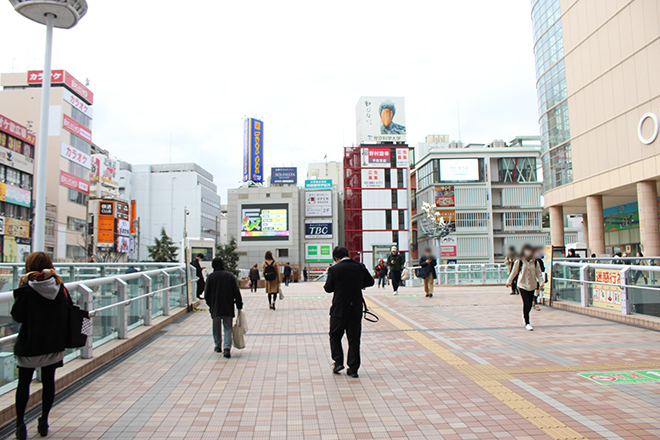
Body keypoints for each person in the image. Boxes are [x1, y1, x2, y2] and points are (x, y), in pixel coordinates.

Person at [11, 252, 70, 439]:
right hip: (53, 343)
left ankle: (20, 424)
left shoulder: (26, 290)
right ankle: (44, 421)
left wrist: (21, 288)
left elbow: (17, 316)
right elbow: (67, 312)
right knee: (48, 382)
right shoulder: (60, 288)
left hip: (29, 344)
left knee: (23, 384)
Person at [324, 246, 374, 378]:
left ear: (336, 258)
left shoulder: (334, 269)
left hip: (339, 308)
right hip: (355, 308)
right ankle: (353, 368)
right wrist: (358, 284)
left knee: (335, 335)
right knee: (354, 339)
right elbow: (370, 281)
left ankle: (338, 362)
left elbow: (328, 288)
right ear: (348, 254)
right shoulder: (360, 267)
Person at [205, 257, 243, 358]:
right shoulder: (229, 276)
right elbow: (236, 291)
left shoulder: (211, 277)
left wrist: (210, 304)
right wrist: (239, 304)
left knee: (216, 327)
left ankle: (218, 345)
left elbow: (206, 294)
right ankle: (227, 348)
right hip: (227, 306)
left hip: (215, 306)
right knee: (228, 328)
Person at [506, 244, 544, 331]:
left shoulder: (535, 261)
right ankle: (527, 322)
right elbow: (514, 272)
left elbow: (538, 273)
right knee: (526, 302)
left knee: (530, 304)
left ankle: (525, 316)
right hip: (522, 284)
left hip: (532, 285)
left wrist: (541, 282)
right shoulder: (519, 261)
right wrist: (509, 281)